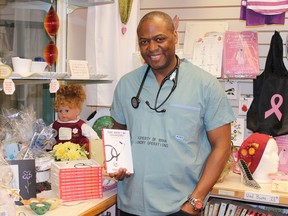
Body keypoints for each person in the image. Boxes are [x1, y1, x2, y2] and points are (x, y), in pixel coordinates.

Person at [109, 11, 235, 216]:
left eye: (160, 39)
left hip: (180, 207)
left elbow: (222, 146)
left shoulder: (205, 85)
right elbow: (118, 132)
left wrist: (195, 200)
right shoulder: (127, 84)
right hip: (130, 205)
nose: (151, 48)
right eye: (144, 42)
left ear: (175, 36)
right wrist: (117, 164)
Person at [52, 84, 99, 153]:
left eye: (67, 110)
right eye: (60, 111)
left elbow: (94, 137)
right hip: (58, 155)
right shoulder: (54, 125)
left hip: (77, 155)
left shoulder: (81, 125)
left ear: (78, 111)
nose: (63, 114)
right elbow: (47, 136)